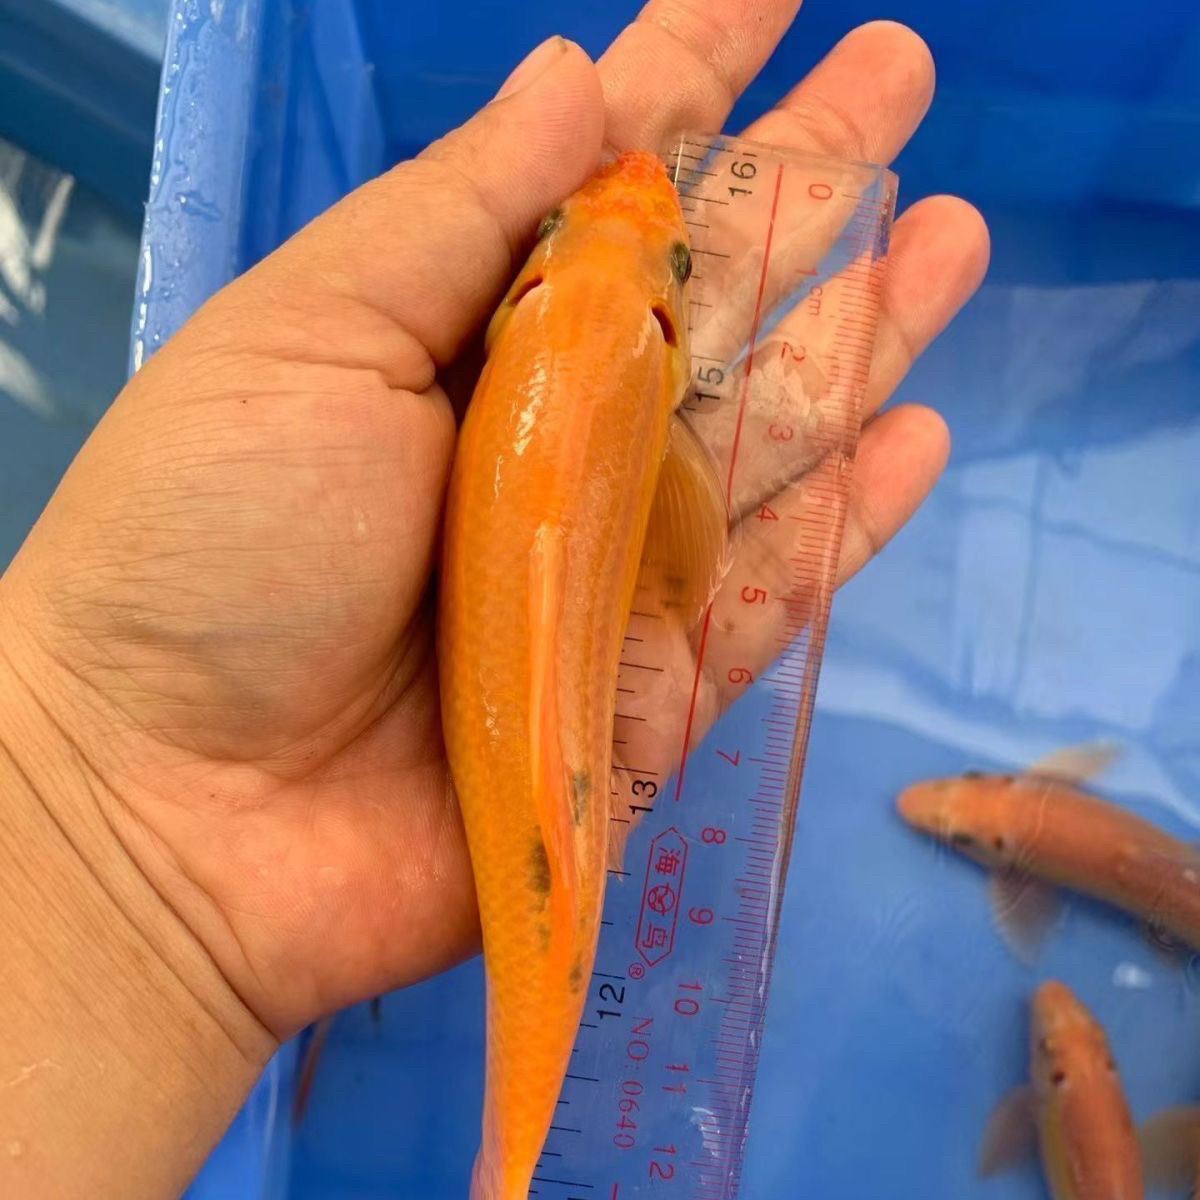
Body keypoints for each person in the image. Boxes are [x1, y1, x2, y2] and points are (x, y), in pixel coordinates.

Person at [0, 7, 988, 1197]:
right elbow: (682, 552)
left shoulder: (525, 315)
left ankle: (511, 1168)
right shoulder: (661, 366)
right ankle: (507, 1168)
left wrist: (81, 816)